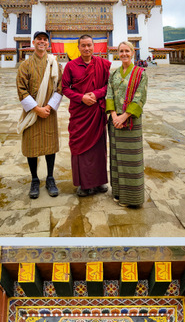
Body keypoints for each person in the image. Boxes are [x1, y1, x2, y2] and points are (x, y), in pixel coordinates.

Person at [62, 34, 110, 198]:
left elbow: (108, 86)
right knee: (80, 148)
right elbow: (65, 88)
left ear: (94, 46)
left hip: (96, 112)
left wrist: (96, 94)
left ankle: (99, 181)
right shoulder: (71, 66)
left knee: (98, 147)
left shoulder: (102, 64)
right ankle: (84, 184)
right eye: (83, 45)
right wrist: (81, 98)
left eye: (89, 45)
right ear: (78, 47)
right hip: (80, 114)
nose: (87, 48)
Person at [16, 30, 63, 199]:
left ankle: (50, 178)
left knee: (50, 145)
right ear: (33, 42)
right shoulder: (25, 65)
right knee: (31, 147)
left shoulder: (55, 64)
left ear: (48, 44)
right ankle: (34, 179)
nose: (42, 42)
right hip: (32, 112)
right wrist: (37, 109)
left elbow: (60, 88)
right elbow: (21, 90)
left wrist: (48, 107)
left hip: (49, 112)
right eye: (39, 39)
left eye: (45, 39)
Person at [106, 40, 149, 207]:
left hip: (131, 121)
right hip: (115, 121)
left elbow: (140, 97)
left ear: (133, 53)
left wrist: (123, 117)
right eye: (121, 51)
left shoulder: (140, 73)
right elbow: (109, 95)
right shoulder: (114, 74)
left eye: (127, 51)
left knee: (132, 159)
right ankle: (118, 192)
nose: (124, 54)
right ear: (118, 53)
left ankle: (132, 198)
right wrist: (114, 116)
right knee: (117, 157)